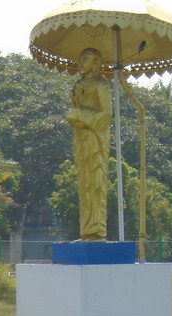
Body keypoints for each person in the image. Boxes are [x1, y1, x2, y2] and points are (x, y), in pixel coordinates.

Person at [66, 48, 111, 241]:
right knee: (84, 181)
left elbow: (106, 114)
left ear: (96, 63)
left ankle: (97, 228)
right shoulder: (77, 86)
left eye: (86, 59)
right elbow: (74, 111)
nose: (80, 62)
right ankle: (86, 229)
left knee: (96, 180)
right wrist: (74, 117)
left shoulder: (101, 85)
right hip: (81, 138)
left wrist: (81, 116)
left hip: (95, 137)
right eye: (80, 58)